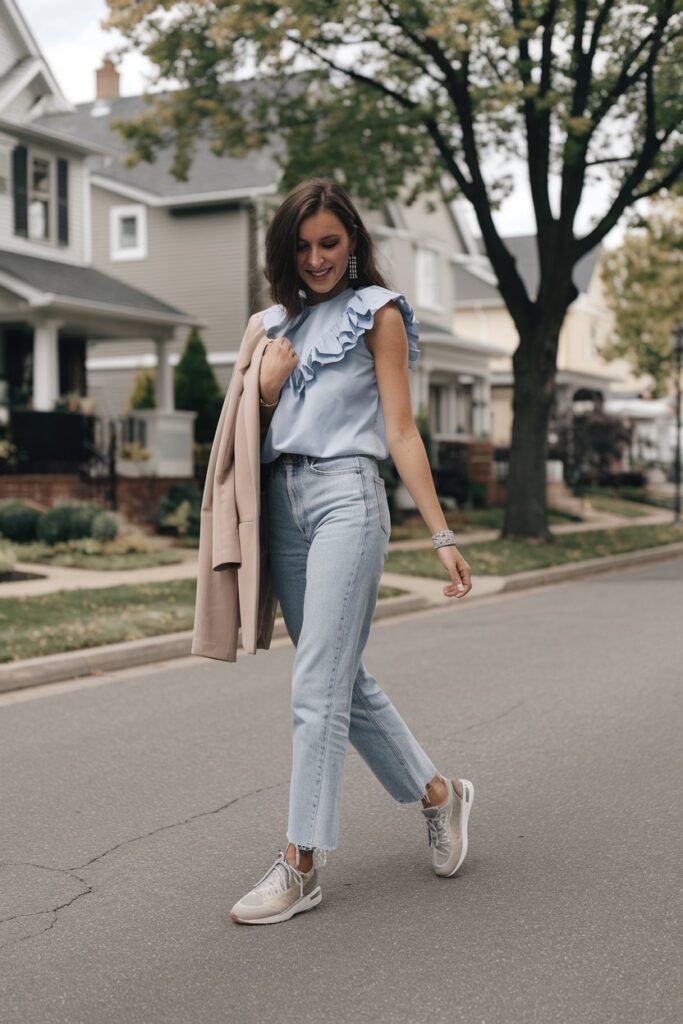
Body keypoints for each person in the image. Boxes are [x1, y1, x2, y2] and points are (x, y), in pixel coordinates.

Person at [229, 177, 474, 926]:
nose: (316, 259)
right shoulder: (268, 325)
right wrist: (266, 391)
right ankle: (441, 795)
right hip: (282, 505)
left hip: (347, 499)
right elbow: (245, 435)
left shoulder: (379, 313)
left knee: (315, 685)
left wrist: (440, 534)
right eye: (301, 247)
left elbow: (402, 431)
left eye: (329, 243)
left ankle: (300, 863)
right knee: (340, 676)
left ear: (354, 242)